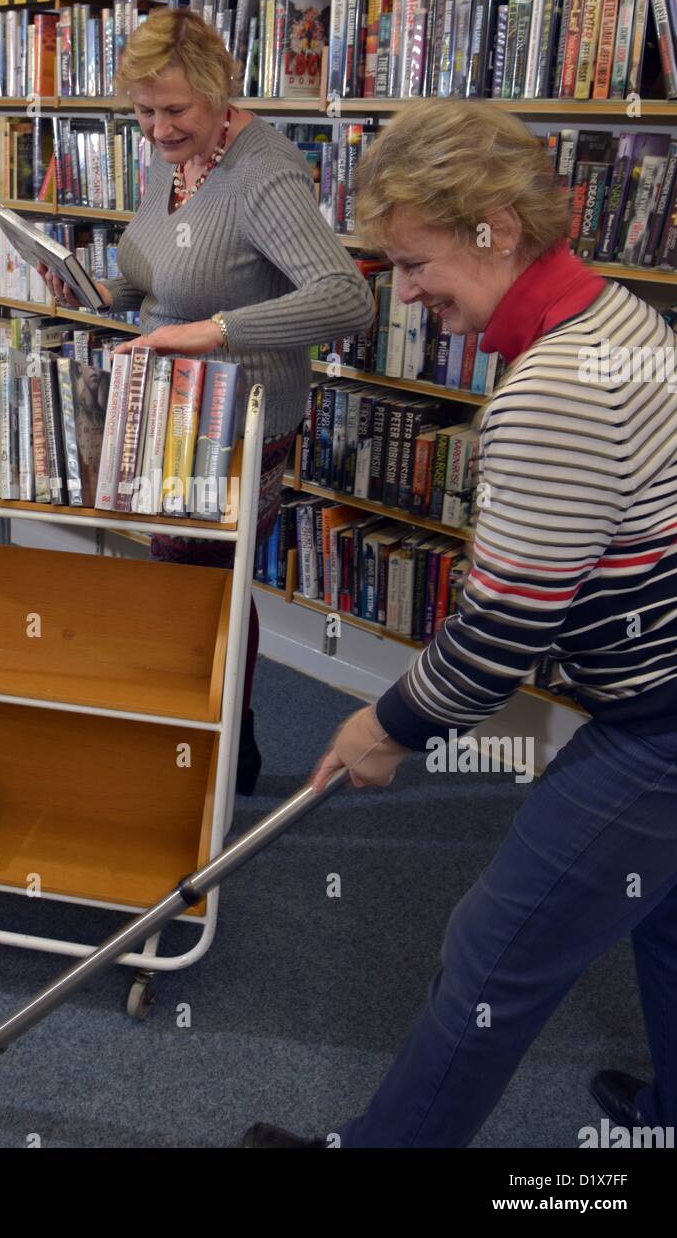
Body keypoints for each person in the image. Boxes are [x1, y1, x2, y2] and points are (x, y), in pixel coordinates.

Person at [244, 98, 677, 1148]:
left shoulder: (554, 391)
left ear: (496, 227)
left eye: (414, 262)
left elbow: (498, 639)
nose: (407, 293)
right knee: (663, 919)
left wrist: (382, 727)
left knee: (494, 949)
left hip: (659, 730)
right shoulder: (621, 317)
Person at [40, 7, 375, 794]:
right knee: (182, 584)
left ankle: (223, 742)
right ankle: (214, 732)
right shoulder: (174, 156)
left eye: (175, 111)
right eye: (144, 111)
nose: (157, 130)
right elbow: (164, 274)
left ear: (222, 94)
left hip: (241, 418)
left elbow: (344, 300)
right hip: (171, 407)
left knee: (202, 585)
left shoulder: (266, 171)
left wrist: (213, 331)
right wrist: (100, 287)